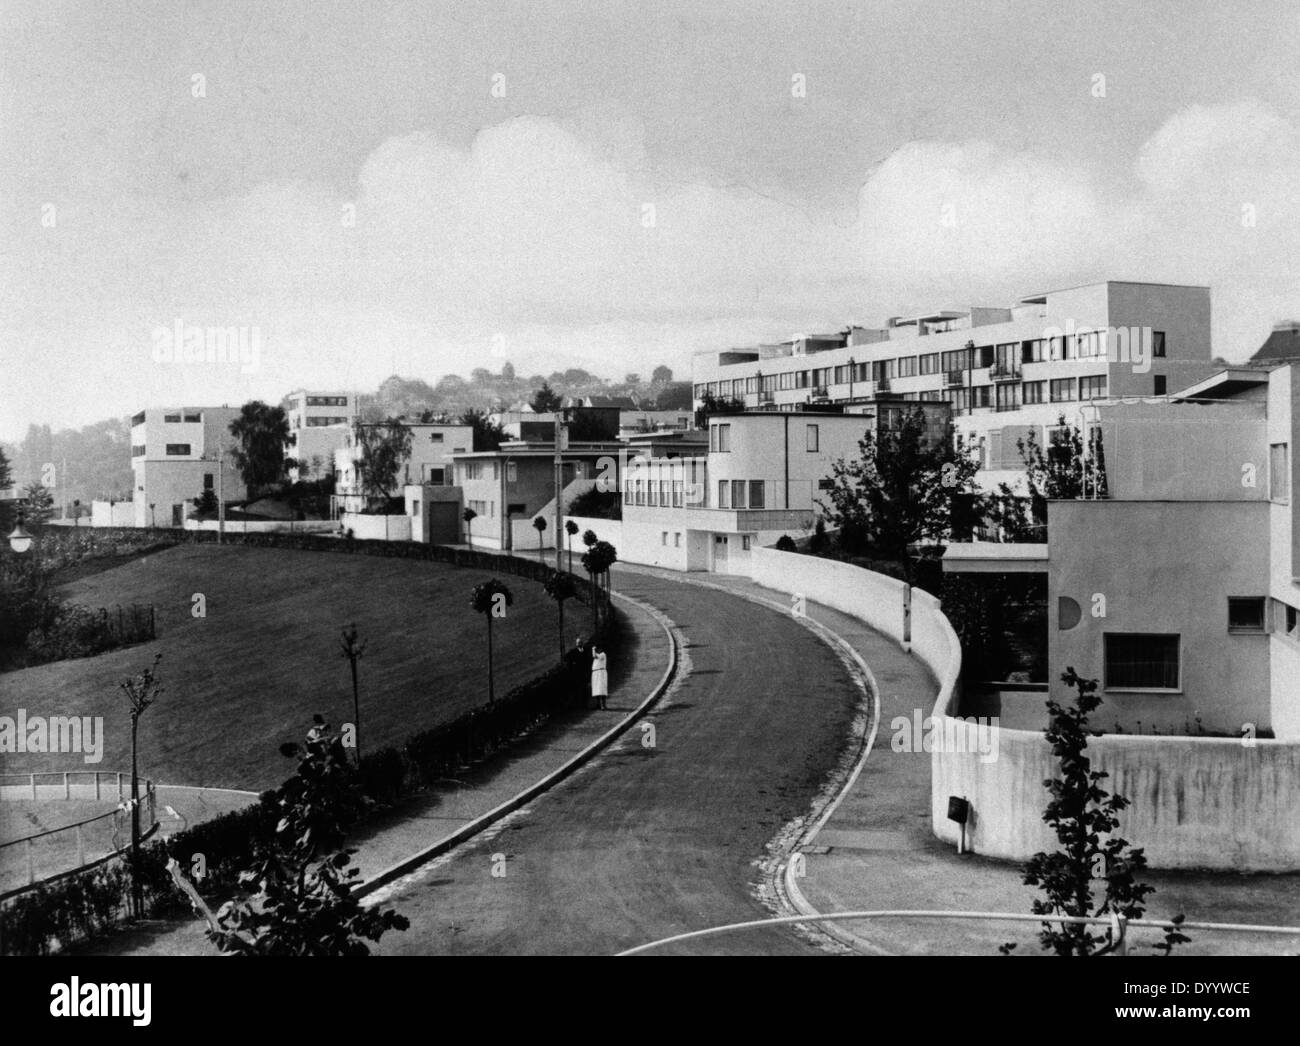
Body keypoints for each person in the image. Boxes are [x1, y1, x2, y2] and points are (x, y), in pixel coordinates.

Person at [590, 644, 608, 710]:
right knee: (596, 689)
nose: (597, 650)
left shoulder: (603, 654)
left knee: (602, 689)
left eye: (598, 649)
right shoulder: (597, 655)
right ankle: (598, 704)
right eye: (597, 649)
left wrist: (593, 649)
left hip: (601, 673)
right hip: (595, 673)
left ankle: (603, 705)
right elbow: (594, 656)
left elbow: (594, 656)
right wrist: (593, 650)